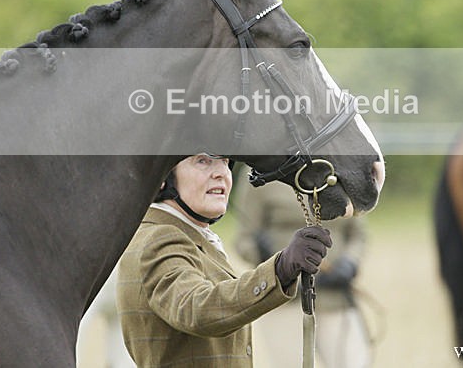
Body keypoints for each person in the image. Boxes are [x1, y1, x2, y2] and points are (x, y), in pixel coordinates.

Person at [116, 154, 332, 368]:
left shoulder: (185, 234)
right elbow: (197, 309)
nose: (221, 173)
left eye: (225, 162)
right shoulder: (159, 238)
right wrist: (280, 269)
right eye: (203, 161)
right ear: (163, 177)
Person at [234, 174, 372, 368]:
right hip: (284, 301)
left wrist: (349, 263)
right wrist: (268, 259)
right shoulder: (260, 171)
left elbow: (358, 233)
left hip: (335, 297)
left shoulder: (338, 165)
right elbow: (244, 239)